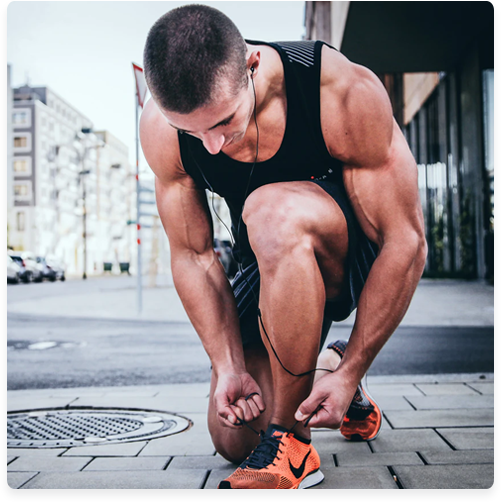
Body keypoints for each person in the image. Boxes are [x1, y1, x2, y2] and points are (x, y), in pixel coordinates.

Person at [140, 4, 427, 490]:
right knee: (234, 439)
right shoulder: (162, 126)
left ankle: (294, 447)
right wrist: (228, 363)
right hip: (266, 260)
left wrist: (356, 368)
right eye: (193, 132)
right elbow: (193, 255)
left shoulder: (337, 89)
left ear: (252, 66)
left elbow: (406, 241)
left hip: (345, 254)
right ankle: (324, 367)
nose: (211, 146)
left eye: (224, 121)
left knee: (270, 210)